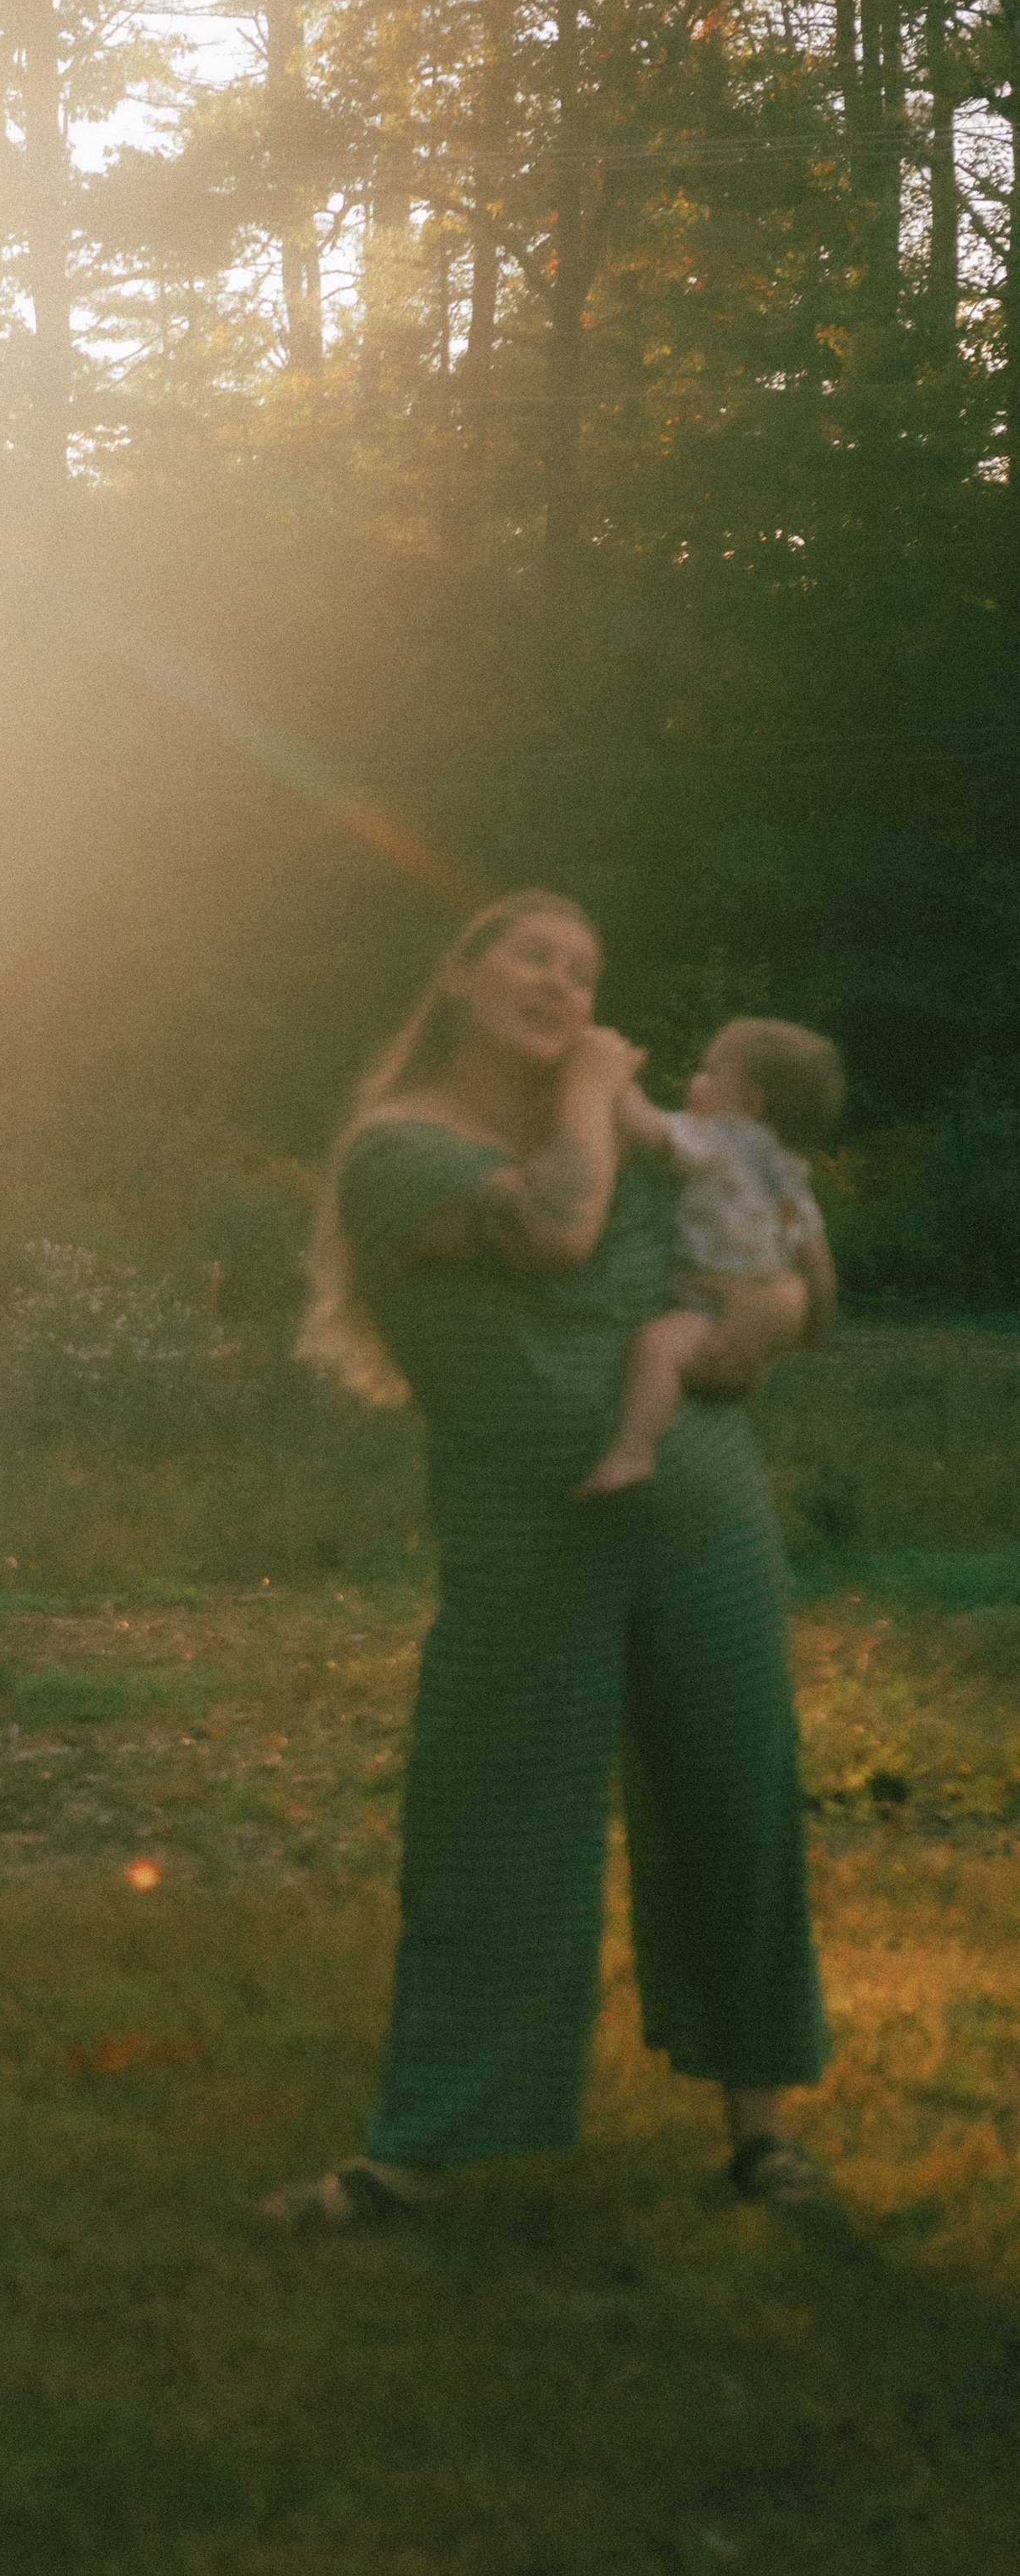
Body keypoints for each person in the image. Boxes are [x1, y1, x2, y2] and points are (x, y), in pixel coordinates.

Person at [263, 892, 830, 2232]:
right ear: (460, 974)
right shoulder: (396, 1151)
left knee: (737, 1802)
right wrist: (591, 1078)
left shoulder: (631, 1141)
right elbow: (561, 1228)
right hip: (529, 1523)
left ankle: (761, 2132)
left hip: (700, 1498)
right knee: (497, 1818)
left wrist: (780, 1318)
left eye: (585, 971)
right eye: (534, 955)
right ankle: (417, 2152)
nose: (564, 983)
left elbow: (767, 1252)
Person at [574, 1018, 842, 1500]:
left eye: (710, 1072)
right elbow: (815, 1261)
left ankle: (633, 1450)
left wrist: (613, 1076)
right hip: (769, 1306)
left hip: (710, 1303)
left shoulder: (716, 1140)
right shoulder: (785, 1174)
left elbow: (644, 1127)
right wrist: (810, 1330)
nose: (697, 1082)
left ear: (752, 1102)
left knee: (656, 1348)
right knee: (716, 1372)